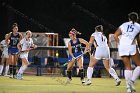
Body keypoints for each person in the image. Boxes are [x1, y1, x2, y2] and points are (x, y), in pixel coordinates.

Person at [114, 12, 140, 93]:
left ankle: (128, 88)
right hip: (131, 45)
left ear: (129, 18)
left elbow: (115, 35)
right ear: (137, 19)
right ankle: (131, 81)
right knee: (139, 65)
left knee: (127, 67)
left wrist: (119, 44)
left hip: (122, 46)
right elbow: (139, 39)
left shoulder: (124, 24)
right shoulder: (138, 26)